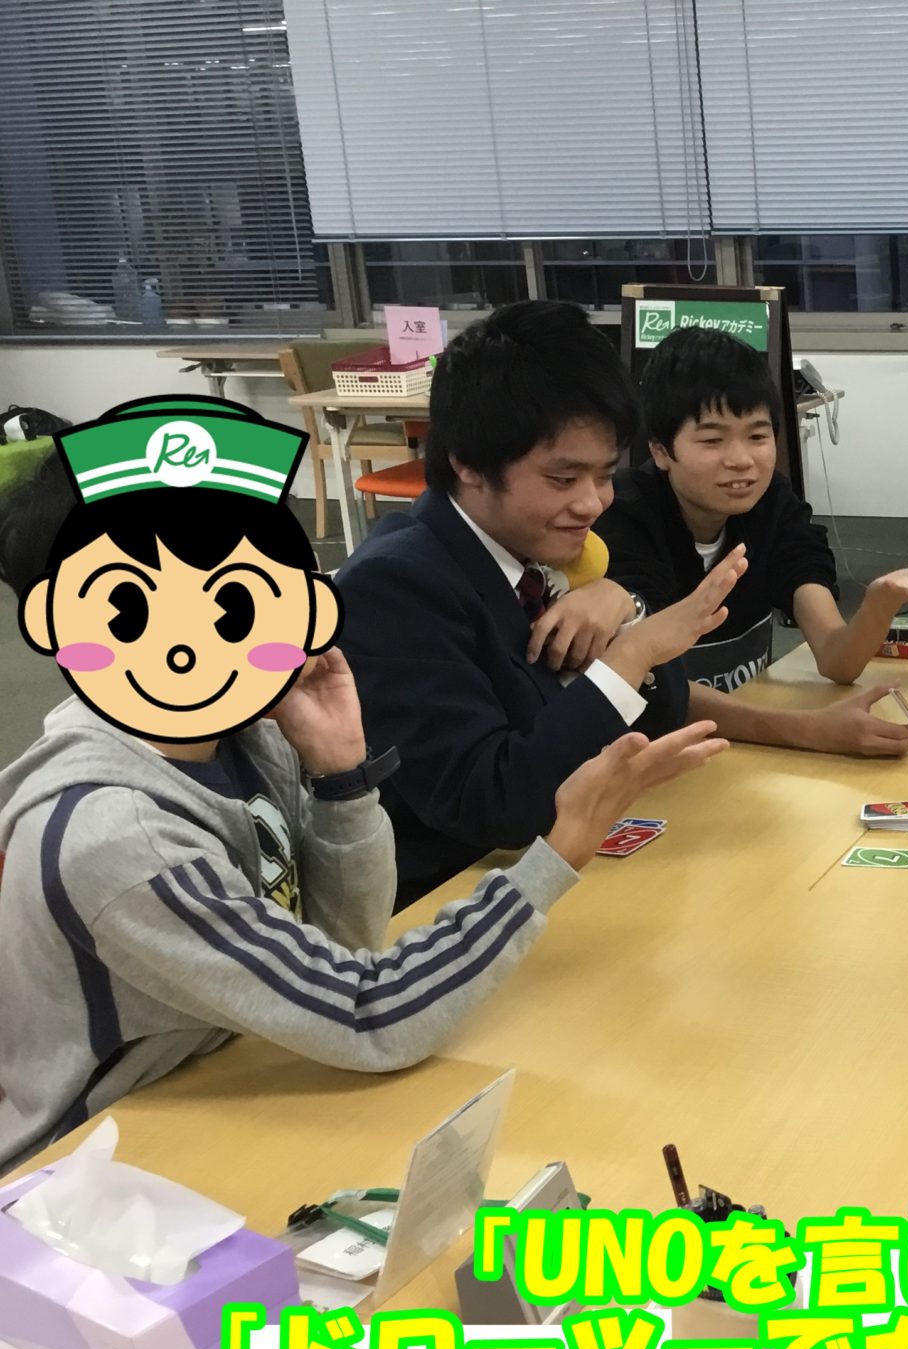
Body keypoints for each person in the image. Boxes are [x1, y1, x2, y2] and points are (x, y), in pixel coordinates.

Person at [0, 412, 724, 1171]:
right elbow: (367, 1011)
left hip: (237, 1081)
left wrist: (342, 779)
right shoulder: (120, 838)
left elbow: (341, 946)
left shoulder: (247, 734)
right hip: (92, 1169)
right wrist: (557, 853)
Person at [336, 301, 743, 906]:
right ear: (468, 464)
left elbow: (660, 717)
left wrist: (624, 608)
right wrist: (632, 653)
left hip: (555, 874)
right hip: (451, 906)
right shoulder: (393, 587)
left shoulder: (534, 550)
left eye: (604, 474)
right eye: (562, 479)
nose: (592, 503)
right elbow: (495, 804)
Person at [597, 325, 908, 756]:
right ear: (661, 451)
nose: (742, 460)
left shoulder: (772, 506)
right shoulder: (622, 521)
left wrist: (880, 600)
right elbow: (655, 693)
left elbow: (836, 659)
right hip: (642, 762)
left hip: (736, 754)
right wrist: (807, 729)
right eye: (712, 440)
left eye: (758, 436)